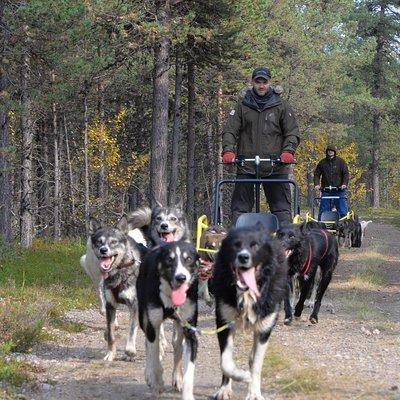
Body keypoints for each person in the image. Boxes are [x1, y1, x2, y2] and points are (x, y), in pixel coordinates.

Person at [221, 67, 300, 224]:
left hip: (275, 166)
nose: (261, 85)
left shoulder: (281, 106)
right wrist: (228, 151)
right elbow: (230, 131)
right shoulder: (242, 106)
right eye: (258, 82)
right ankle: (238, 243)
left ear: (269, 83)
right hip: (246, 165)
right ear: (252, 82)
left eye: (264, 82)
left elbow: (292, 132)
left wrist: (288, 151)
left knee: (281, 209)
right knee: (239, 209)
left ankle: (286, 245)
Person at [314, 144, 349, 220]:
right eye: (329, 151)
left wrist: (344, 184)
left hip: (339, 190)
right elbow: (317, 174)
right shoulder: (322, 163)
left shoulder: (341, 162)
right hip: (326, 190)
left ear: (335, 152)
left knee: (342, 209)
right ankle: (321, 226)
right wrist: (317, 184)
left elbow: (346, 174)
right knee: (323, 210)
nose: (330, 152)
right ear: (326, 152)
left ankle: (344, 224)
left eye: (332, 151)